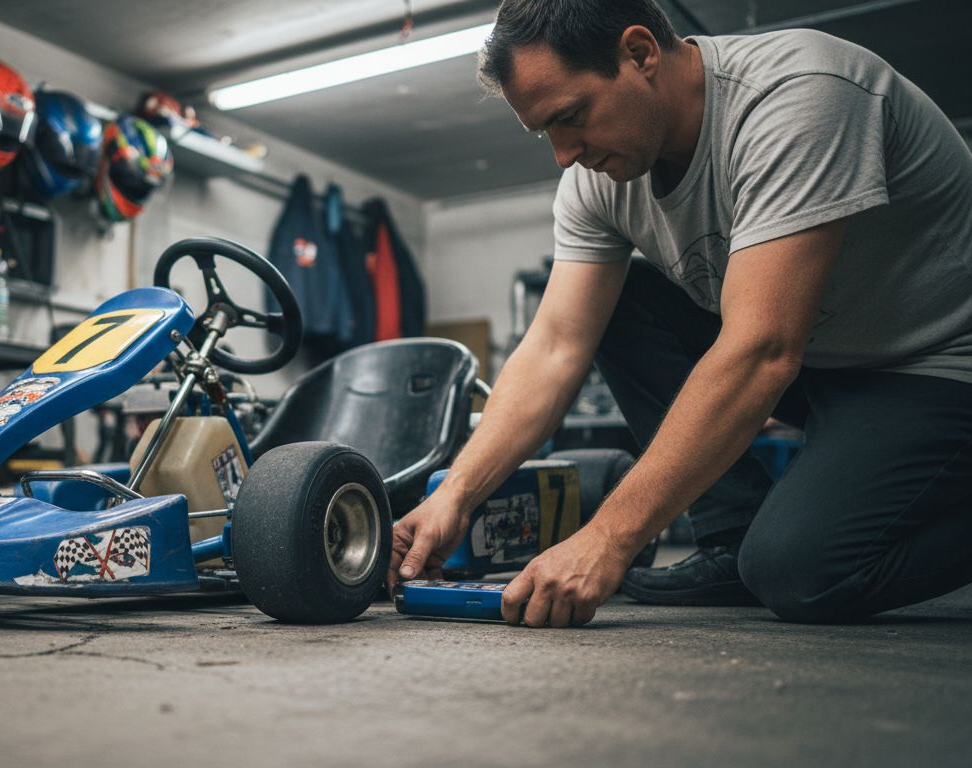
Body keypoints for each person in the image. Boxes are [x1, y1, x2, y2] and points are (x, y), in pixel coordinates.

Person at [389, 0, 972, 626]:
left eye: (571, 117)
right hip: (824, 363)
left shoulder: (797, 96)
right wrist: (456, 495)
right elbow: (556, 346)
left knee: (798, 572)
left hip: (934, 365)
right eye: (545, 132)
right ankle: (732, 532)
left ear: (640, 54)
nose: (563, 154)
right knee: (617, 303)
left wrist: (608, 537)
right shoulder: (597, 181)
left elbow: (762, 351)